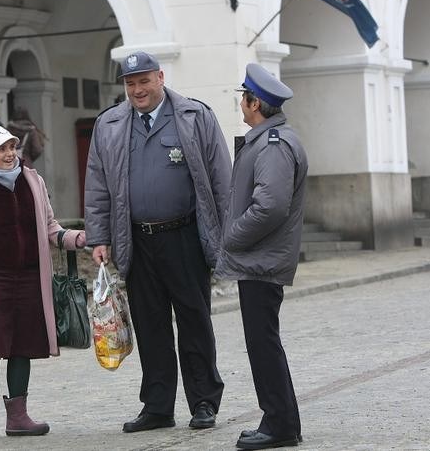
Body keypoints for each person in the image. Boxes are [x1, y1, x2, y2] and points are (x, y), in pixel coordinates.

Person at [84, 51, 231, 433]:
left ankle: (203, 401)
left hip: (185, 236)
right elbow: (98, 184)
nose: (137, 90)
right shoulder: (110, 124)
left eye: (144, 81)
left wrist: (228, 234)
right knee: (150, 327)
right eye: (130, 84)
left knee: (194, 321)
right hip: (136, 239)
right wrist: (99, 236)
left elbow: (220, 178)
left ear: (161, 78)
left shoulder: (194, 116)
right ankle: (158, 406)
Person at [0, 125, 86, 442]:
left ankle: (19, 417)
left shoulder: (34, 182)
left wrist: (75, 238)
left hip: (29, 277)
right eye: (2, 149)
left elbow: (51, 228)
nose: (10, 154)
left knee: (22, 344)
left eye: (12, 147)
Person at [215, 63, 308, 450]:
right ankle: (282, 419)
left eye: (243, 97)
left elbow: (269, 207)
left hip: (261, 260)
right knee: (264, 342)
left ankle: (279, 425)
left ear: (254, 103)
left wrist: (231, 238)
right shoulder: (267, 139)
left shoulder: (274, 145)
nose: (240, 102)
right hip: (260, 259)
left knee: (263, 344)